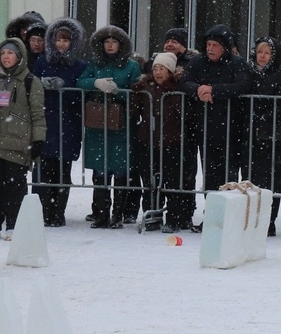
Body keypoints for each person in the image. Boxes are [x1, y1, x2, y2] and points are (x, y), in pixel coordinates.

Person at [77, 25, 142, 228]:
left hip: (122, 124)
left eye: (114, 42)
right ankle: (101, 214)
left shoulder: (131, 66)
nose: (110, 45)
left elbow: (138, 93)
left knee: (120, 171)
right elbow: (80, 82)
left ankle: (117, 215)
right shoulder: (95, 63)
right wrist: (95, 82)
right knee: (100, 171)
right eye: (106, 41)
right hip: (98, 124)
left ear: (121, 45)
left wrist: (118, 92)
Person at [180, 24, 251, 198]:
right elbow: (184, 82)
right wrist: (198, 89)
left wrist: (214, 90)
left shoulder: (237, 63)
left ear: (225, 47)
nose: (210, 49)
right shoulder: (198, 61)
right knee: (209, 174)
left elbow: (243, 86)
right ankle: (211, 209)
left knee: (229, 175)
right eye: (208, 45)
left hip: (231, 128)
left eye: (215, 45)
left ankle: (228, 209)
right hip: (204, 127)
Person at [30, 17, 86, 227]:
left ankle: (58, 212)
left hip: (68, 124)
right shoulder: (42, 62)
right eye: (58, 39)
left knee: (63, 172)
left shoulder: (79, 65)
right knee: (44, 170)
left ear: (73, 42)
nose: (61, 44)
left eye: (66, 40)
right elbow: (32, 85)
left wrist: (67, 89)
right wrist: (41, 84)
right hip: (46, 121)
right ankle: (44, 211)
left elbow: (81, 94)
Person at [130, 52, 187, 232]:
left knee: (171, 182)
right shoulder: (146, 88)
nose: (158, 72)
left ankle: (173, 218)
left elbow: (183, 113)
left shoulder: (177, 88)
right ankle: (152, 216)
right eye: (155, 68)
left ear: (170, 71)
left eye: (162, 68)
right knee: (149, 181)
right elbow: (134, 111)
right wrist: (136, 93)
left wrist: (170, 92)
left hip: (171, 141)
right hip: (148, 140)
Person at [246, 36, 281, 236]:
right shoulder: (248, 74)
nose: (262, 56)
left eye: (267, 53)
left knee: (272, 180)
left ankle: (269, 219)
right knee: (252, 178)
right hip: (251, 135)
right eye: (260, 52)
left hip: (274, 136)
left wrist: (264, 116)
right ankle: (252, 217)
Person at [0, 39, 44, 237]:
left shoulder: (30, 82)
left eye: (10, 53)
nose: (5, 57)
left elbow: (38, 115)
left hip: (18, 144)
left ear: (19, 57)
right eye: (3, 53)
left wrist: (38, 140)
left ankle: (13, 225)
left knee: (15, 186)